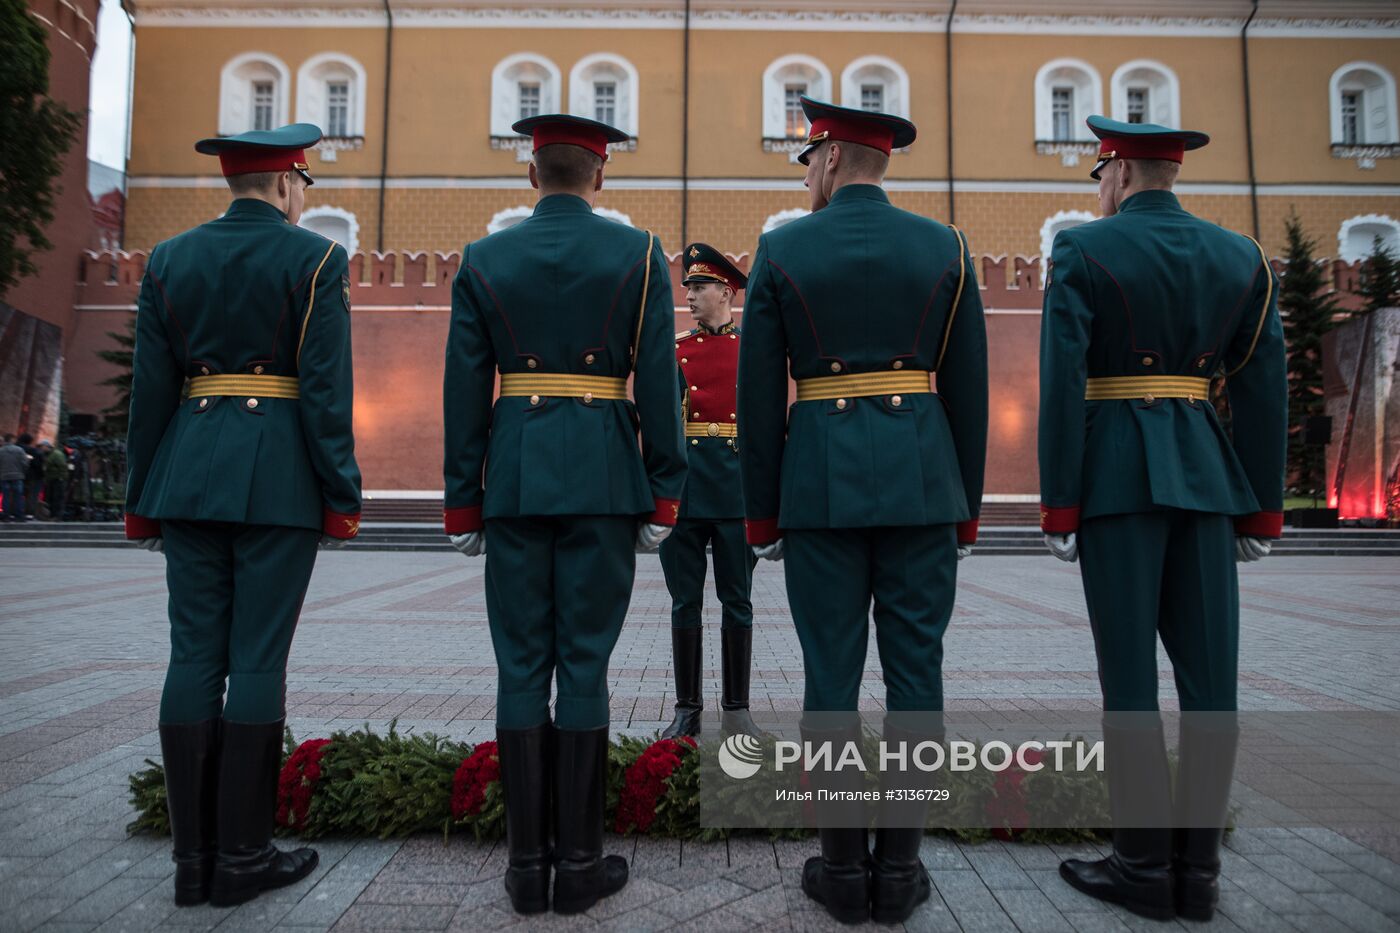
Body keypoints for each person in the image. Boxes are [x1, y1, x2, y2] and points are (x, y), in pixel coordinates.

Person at [737, 97, 987, 924]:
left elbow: (758, 396)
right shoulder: (944, 246)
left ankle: (843, 872)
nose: (808, 175)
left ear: (833, 158)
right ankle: (902, 869)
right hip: (922, 483)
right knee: (918, 675)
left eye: (810, 161)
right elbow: (969, 391)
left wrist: (762, 516)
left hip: (820, 488)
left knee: (830, 678)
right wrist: (967, 508)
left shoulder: (782, 249)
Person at [1038, 115, 1285, 922]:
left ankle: (1142, 866)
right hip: (1209, 479)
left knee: (1131, 684)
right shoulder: (1239, 256)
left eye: (1097, 175)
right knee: (1213, 685)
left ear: (1115, 170)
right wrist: (1263, 510)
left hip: (1116, 481)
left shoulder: (1082, 248)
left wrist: (1059, 498)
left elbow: (1062, 375)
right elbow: (1260, 386)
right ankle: (1199, 873)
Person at [442, 113, 686, 916]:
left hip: (513, 478)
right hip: (605, 480)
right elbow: (658, 382)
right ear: (600, 175)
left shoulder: (485, 259)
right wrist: (665, 486)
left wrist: (462, 499)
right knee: (584, 663)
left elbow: (463, 390)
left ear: (532, 174)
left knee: (520, 665)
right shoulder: (638, 254)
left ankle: (525, 870)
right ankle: (578, 865)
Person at [124, 123, 362, 909]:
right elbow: (324, 394)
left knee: (192, 655)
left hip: (186, 475)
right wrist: (342, 492)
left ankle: (193, 863)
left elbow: (150, 394)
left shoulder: (168, 259)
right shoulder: (317, 259)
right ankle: (245, 856)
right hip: (278, 482)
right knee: (256, 661)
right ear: (292, 181)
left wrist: (139, 497)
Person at [660, 243, 763, 739]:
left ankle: (737, 707)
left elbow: (769, 429)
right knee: (685, 602)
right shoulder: (675, 349)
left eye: (699, 288)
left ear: (726, 291)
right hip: (686, 490)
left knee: (737, 601)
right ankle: (687, 707)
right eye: (689, 290)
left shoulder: (755, 351)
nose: (692, 298)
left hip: (737, 492)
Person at [0, 434, 28, 521]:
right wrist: (23, 472)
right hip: (17, 476)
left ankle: (6, 516)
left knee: (6, 496)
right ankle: (19, 516)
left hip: (4, 476)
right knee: (18, 496)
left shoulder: (1, 451)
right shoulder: (20, 450)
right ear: (12, 440)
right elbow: (25, 463)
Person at [38, 441, 66, 521]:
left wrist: (60, 477)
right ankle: (52, 515)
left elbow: (62, 466)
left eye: (42, 447)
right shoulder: (49, 454)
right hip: (51, 479)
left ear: (47, 446)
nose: (41, 449)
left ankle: (56, 516)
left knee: (56, 498)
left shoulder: (57, 454)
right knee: (51, 498)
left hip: (57, 479)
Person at [18, 433, 42, 520]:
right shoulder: (33, 450)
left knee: (16, 494)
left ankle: (13, 511)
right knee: (31, 495)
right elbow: (38, 464)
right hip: (32, 476)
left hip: (18, 474)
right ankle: (29, 513)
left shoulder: (15, 448)